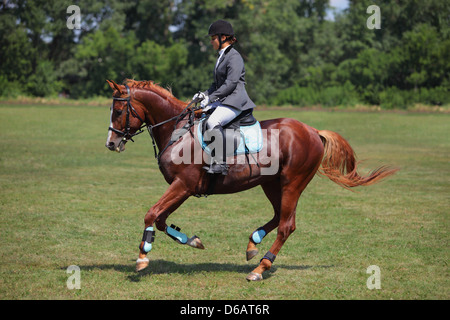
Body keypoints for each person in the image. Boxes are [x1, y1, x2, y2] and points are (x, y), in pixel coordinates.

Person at [194, 19, 256, 175]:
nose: (211, 42)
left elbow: (230, 83)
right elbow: (216, 84)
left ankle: (221, 163)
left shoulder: (234, 57)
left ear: (223, 38)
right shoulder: (222, 56)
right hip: (225, 99)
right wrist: (204, 95)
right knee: (200, 116)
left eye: (213, 38)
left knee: (213, 121)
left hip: (236, 100)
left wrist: (211, 98)